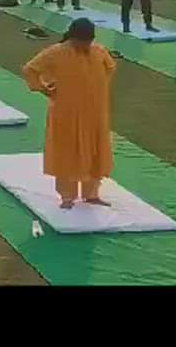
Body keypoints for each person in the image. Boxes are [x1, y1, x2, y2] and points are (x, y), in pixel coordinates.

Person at [23, 18, 115, 209]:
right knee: (67, 153)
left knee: (94, 152)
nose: (87, 45)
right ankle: (67, 196)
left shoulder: (99, 51)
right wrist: (44, 88)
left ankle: (92, 193)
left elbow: (110, 68)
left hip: (94, 113)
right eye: (83, 41)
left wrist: (96, 88)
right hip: (66, 113)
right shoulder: (56, 52)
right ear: (73, 38)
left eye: (89, 40)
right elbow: (30, 70)